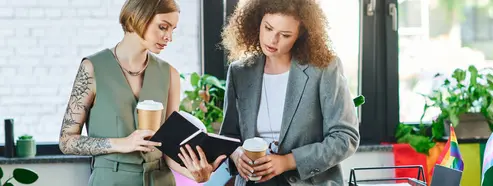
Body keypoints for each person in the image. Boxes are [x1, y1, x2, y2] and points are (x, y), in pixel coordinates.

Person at [58, 0, 225, 185]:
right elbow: (67, 141)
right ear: (138, 17)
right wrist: (123, 143)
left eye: (172, 30)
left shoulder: (170, 75)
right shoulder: (92, 69)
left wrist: (195, 174)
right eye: (163, 27)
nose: (169, 37)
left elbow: (168, 147)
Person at [219, 0, 360, 185]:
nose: (272, 40)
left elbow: (345, 137)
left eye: (285, 35)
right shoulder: (240, 72)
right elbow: (229, 136)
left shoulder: (324, 69)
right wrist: (236, 155)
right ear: (257, 21)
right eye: (268, 28)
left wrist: (288, 162)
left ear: (300, 35)